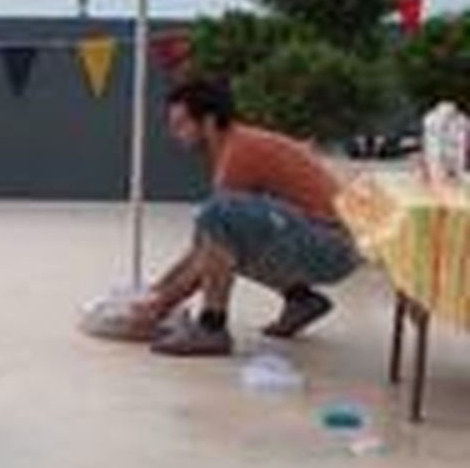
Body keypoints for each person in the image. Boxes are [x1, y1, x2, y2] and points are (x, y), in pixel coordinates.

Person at [126, 76, 361, 357]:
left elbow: (206, 250)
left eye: (180, 124)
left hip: (332, 246)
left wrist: (159, 305)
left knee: (218, 216)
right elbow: (204, 247)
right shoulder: (234, 145)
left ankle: (212, 328)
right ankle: (301, 300)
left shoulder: (239, 153)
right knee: (224, 234)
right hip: (327, 242)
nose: (174, 133)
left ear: (208, 122)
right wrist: (157, 292)